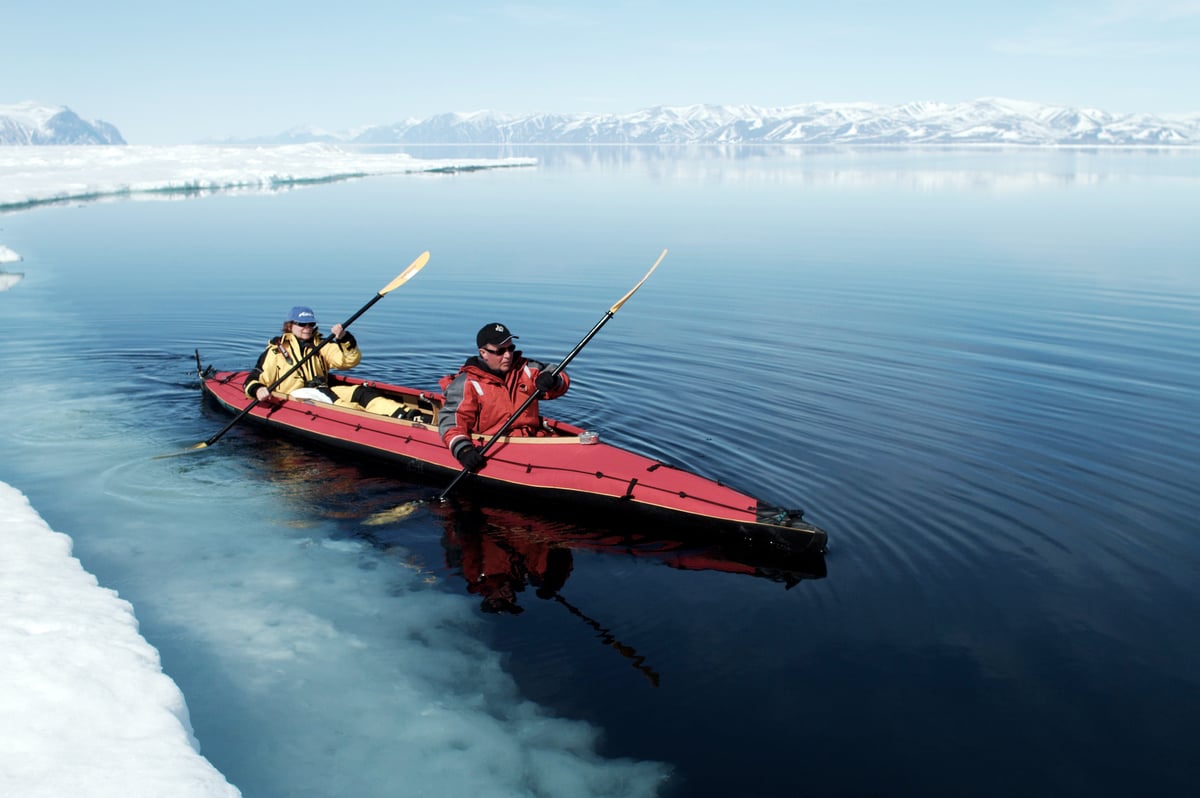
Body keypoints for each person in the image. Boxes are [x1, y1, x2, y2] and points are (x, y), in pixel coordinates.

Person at [438, 322, 569, 471]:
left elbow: (557, 375)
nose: (508, 355)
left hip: (533, 439)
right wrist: (464, 451)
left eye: (510, 348)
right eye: (500, 351)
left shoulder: (526, 369)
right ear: (483, 353)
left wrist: (553, 380)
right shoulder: (467, 384)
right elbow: (451, 423)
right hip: (494, 445)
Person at [244, 305, 412, 418]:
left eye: (310, 324)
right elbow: (252, 381)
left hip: (322, 390)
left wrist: (344, 339)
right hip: (295, 396)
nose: (307, 328)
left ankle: (405, 414)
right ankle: (376, 422)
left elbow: (347, 361)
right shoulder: (276, 351)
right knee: (333, 399)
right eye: (302, 324)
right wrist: (258, 390)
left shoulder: (321, 345)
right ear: (290, 325)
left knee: (362, 393)